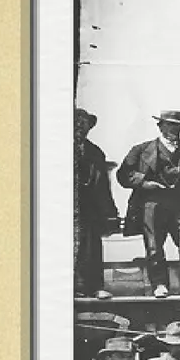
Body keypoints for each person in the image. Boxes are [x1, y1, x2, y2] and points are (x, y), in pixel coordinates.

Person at [116, 111, 180, 298]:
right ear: (160, 126)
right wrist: (144, 183)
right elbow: (123, 174)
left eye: (178, 125)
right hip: (152, 204)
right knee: (154, 246)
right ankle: (159, 285)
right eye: (169, 124)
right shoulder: (141, 149)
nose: (174, 129)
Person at [74, 109, 118, 297]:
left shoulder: (95, 152)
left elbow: (103, 187)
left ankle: (93, 287)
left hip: (88, 207)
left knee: (91, 247)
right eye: (77, 124)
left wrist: (109, 213)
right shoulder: (53, 148)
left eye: (85, 125)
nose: (81, 129)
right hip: (60, 209)